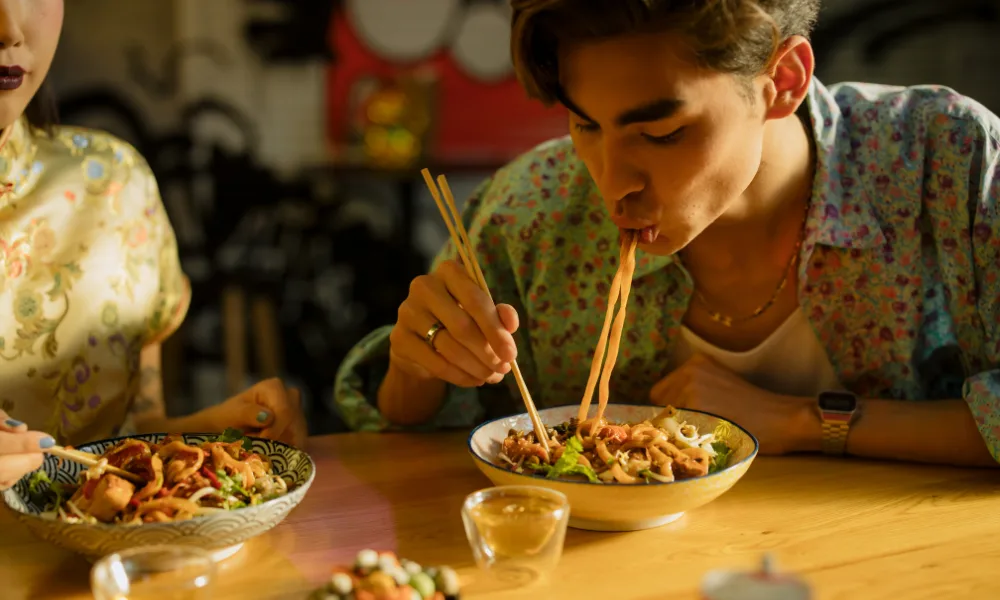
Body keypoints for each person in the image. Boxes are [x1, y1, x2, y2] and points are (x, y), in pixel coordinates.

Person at [334, 0, 1000, 467]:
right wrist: (415, 362)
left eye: (661, 133)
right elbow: (406, 443)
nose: (610, 182)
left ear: (783, 80)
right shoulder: (528, 212)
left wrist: (804, 422)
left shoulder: (944, 160)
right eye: (585, 125)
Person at [0, 0, 305, 491]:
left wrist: (215, 436)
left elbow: (136, 432)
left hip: (108, 561)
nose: (10, 28)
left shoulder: (113, 184)